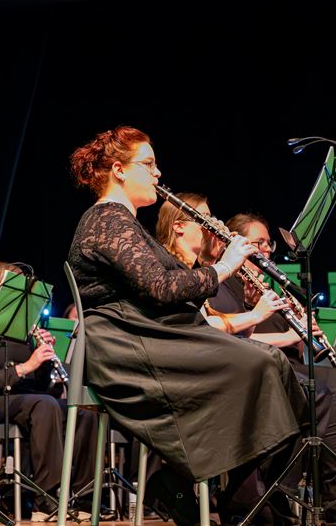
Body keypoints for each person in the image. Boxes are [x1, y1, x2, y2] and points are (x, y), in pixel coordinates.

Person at [66, 126, 308, 525]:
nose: (158, 174)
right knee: (260, 365)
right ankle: (240, 501)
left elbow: (175, 283)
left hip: (151, 335)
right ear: (118, 170)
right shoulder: (106, 220)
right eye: (148, 164)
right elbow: (161, 287)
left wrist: (234, 277)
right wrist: (225, 265)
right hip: (128, 346)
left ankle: (224, 492)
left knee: (270, 364)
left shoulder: (128, 225)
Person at [182, 206, 336, 520]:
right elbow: (231, 341)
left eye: (268, 243)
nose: (267, 249)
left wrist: (303, 333)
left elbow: (296, 350)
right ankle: (335, 494)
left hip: (282, 368)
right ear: (235, 243)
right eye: (259, 243)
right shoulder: (221, 281)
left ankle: (314, 478)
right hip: (254, 376)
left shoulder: (266, 286)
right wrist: (284, 332)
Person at [0, 261, 96, 522]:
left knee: (83, 412)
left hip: (29, 397)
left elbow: (41, 383)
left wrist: (44, 358)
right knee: (44, 405)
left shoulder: (23, 329)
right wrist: (26, 366)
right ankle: (46, 498)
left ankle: (81, 495)